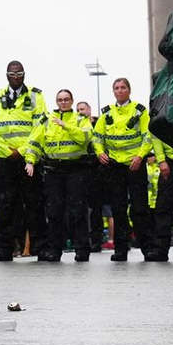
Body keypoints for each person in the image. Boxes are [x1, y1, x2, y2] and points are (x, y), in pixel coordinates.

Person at [0, 61, 47, 262]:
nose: (16, 77)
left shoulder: (36, 96)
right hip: (5, 159)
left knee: (34, 204)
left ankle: (40, 247)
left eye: (19, 73)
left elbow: (40, 126)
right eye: (12, 74)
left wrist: (21, 151)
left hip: (29, 158)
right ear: (6, 75)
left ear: (24, 74)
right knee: (5, 205)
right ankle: (4, 248)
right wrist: (7, 150)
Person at [23, 88, 93, 262]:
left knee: (77, 210)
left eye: (66, 99)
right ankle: (54, 249)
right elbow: (34, 142)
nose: (63, 102)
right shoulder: (46, 120)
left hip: (76, 169)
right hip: (54, 170)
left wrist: (66, 126)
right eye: (60, 100)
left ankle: (82, 249)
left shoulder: (80, 119)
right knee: (55, 212)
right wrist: (30, 160)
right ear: (56, 102)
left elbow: (86, 137)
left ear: (71, 101)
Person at [93, 77, 156, 261]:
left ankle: (147, 248)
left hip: (134, 165)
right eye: (116, 88)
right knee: (118, 209)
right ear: (113, 91)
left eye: (123, 87)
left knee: (140, 208)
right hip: (114, 167)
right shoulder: (106, 113)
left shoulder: (139, 111)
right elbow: (97, 137)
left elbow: (148, 136)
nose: (120, 91)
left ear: (129, 90)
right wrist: (99, 153)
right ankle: (120, 249)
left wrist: (140, 156)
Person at [77, 99, 105, 251]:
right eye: (78, 109)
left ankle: (96, 240)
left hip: (98, 170)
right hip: (82, 168)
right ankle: (83, 240)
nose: (80, 112)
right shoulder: (77, 125)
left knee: (97, 208)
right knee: (80, 207)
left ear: (89, 110)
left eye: (82, 109)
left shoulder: (98, 123)